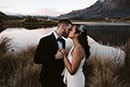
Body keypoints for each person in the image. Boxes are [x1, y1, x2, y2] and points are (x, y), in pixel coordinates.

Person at [34, 19, 72, 87]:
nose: (69, 32)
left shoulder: (63, 41)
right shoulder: (45, 40)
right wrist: (55, 57)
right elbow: (37, 59)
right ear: (63, 27)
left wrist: (65, 55)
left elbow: (61, 58)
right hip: (48, 78)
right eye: (69, 29)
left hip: (60, 78)